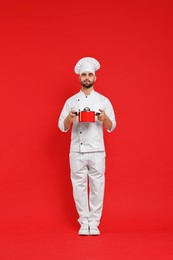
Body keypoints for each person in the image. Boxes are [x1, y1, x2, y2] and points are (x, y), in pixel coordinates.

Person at [58, 57, 116, 236]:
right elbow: (62, 126)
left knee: (98, 186)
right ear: (79, 78)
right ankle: (84, 222)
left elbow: (112, 126)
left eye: (90, 74)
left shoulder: (103, 101)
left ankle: (95, 223)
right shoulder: (71, 101)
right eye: (84, 74)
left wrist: (103, 118)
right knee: (79, 186)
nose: (87, 77)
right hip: (77, 150)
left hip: (97, 150)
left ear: (95, 78)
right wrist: (70, 117)